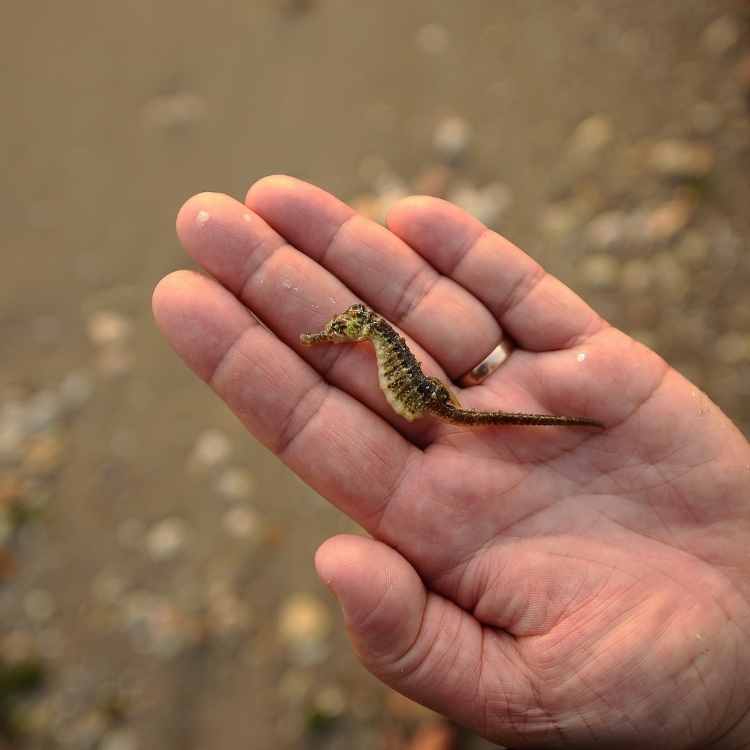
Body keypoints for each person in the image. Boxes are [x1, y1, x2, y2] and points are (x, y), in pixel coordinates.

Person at [152, 175, 750, 748]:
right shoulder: (378, 340)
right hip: (423, 392)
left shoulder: (392, 356)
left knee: (444, 413)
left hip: (424, 399)